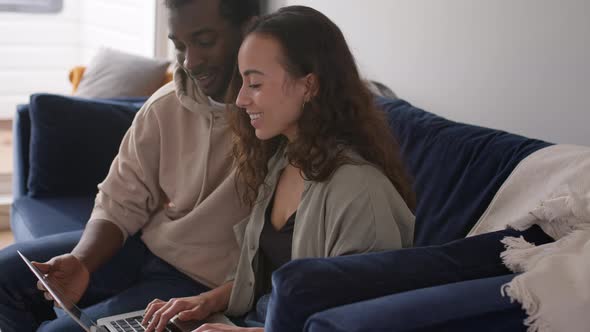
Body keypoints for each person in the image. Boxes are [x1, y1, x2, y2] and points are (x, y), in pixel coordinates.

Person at [142, 6, 416, 332]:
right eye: (241, 82)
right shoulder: (282, 161)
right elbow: (263, 284)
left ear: (309, 86)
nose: (241, 99)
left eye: (254, 84)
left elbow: (356, 323)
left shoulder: (361, 194)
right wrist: (206, 301)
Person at [0, 1, 260, 331]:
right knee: (5, 275)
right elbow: (120, 199)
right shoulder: (166, 104)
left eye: (205, 41)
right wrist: (82, 261)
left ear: (249, 30)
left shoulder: (278, 119)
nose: (190, 61)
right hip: (144, 249)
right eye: (179, 45)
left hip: (202, 284)